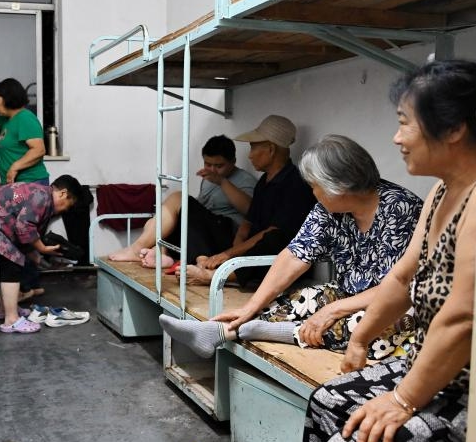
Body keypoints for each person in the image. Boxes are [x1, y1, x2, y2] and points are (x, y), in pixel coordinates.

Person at [297, 60, 476, 442]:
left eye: (404, 122)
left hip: (475, 390)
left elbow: (463, 318)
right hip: (431, 366)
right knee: (326, 399)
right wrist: (359, 339)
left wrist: (401, 400)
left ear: (455, 129)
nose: (396, 139)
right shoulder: (443, 191)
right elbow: (402, 280)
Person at [160, 135, 423, 359]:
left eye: (315, 187)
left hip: (393, 302)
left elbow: (398, 287)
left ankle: (248, 331)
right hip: (347, 294)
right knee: (304, 297)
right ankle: (234, 328)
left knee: (367, 324)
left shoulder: (400, 209)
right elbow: (294, 255)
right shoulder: (328, 209)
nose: (313, 193)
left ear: (339, 187)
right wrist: (250, 306)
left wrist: (333, 310)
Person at [181, 115, 316, 287]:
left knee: (274, 238)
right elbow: (247, 224)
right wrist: (234, 255)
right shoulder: (263, 181)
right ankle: (207, 264)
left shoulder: (296, 183)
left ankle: (214, 276)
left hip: (277, 256)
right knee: (189, 207)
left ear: (271, 149)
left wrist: (229, 254)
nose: (250, 156)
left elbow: (274, 232)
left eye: (253, 148)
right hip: (249, 252)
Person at [0, 176, 88, 333]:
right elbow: (24, 227)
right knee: (11, 262)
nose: (64, 210)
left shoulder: (39, 195)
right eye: (67, 205)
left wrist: (40, 259)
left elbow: (22, 237)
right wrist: (43, 249)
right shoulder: (42, 196)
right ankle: (11, 320)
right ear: (63, 193)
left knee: (10, 259)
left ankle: (5, 309)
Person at [107, 135, 257, 268]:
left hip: (226, 234)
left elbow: (251, 211)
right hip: (207, 233)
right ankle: (162, 254)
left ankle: (136, 249)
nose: (212, 170)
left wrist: (222, 182)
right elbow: (201, 209)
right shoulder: (209, 180)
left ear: (233, 162)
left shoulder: (245, 180)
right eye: (207, 164)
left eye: (219, 166)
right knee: (164, 220)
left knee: (179, 198)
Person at [0, 77, 48, 299]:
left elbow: (38, 150)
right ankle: (32, 285)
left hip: (30, 185)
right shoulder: (7, 121)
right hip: (16, 187)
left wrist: (15, 167)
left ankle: (25, 287)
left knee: (17, 236)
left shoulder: (25, 119)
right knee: (19, 235)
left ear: (8, 99)